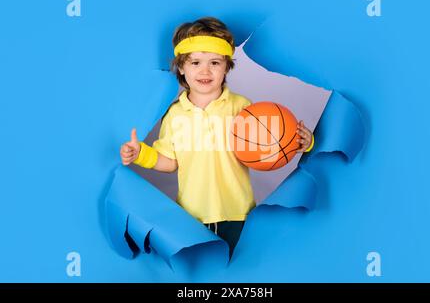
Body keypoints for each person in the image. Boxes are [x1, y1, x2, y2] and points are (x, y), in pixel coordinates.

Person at [119, 17, 314, 257]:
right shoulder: (174, 115)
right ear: (181, 67)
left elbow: (267, 150)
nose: (205, 70)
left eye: (214, 62)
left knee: (239, 275)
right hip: (191, 217)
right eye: (195, 62)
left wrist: (298, 143)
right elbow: (170, 162)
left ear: (226, 66)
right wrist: (141, 154)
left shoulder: (243, 108)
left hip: (238, 214)